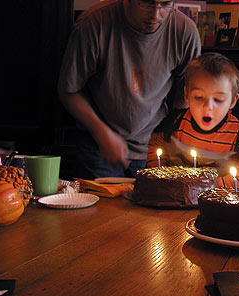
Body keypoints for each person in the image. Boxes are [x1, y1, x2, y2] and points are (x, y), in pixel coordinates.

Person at [58, 0, 201, 179]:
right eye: (146, 3)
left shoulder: (184, 31)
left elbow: (186, 93)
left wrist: (173, 133)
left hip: (153, 146)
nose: (155, 15)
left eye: (165, 4)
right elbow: (69, 90)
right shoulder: (94, 23)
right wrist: (101, 132)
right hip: (98, 145)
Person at [146, 53, 239, 188]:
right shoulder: (175, 124)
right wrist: (162, 176)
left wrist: (201, 185)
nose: (208, 107)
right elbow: (156, 144)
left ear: (233, 101)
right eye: (199, 97)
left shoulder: (238, 135)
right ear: (186, 95)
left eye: (218, 99)